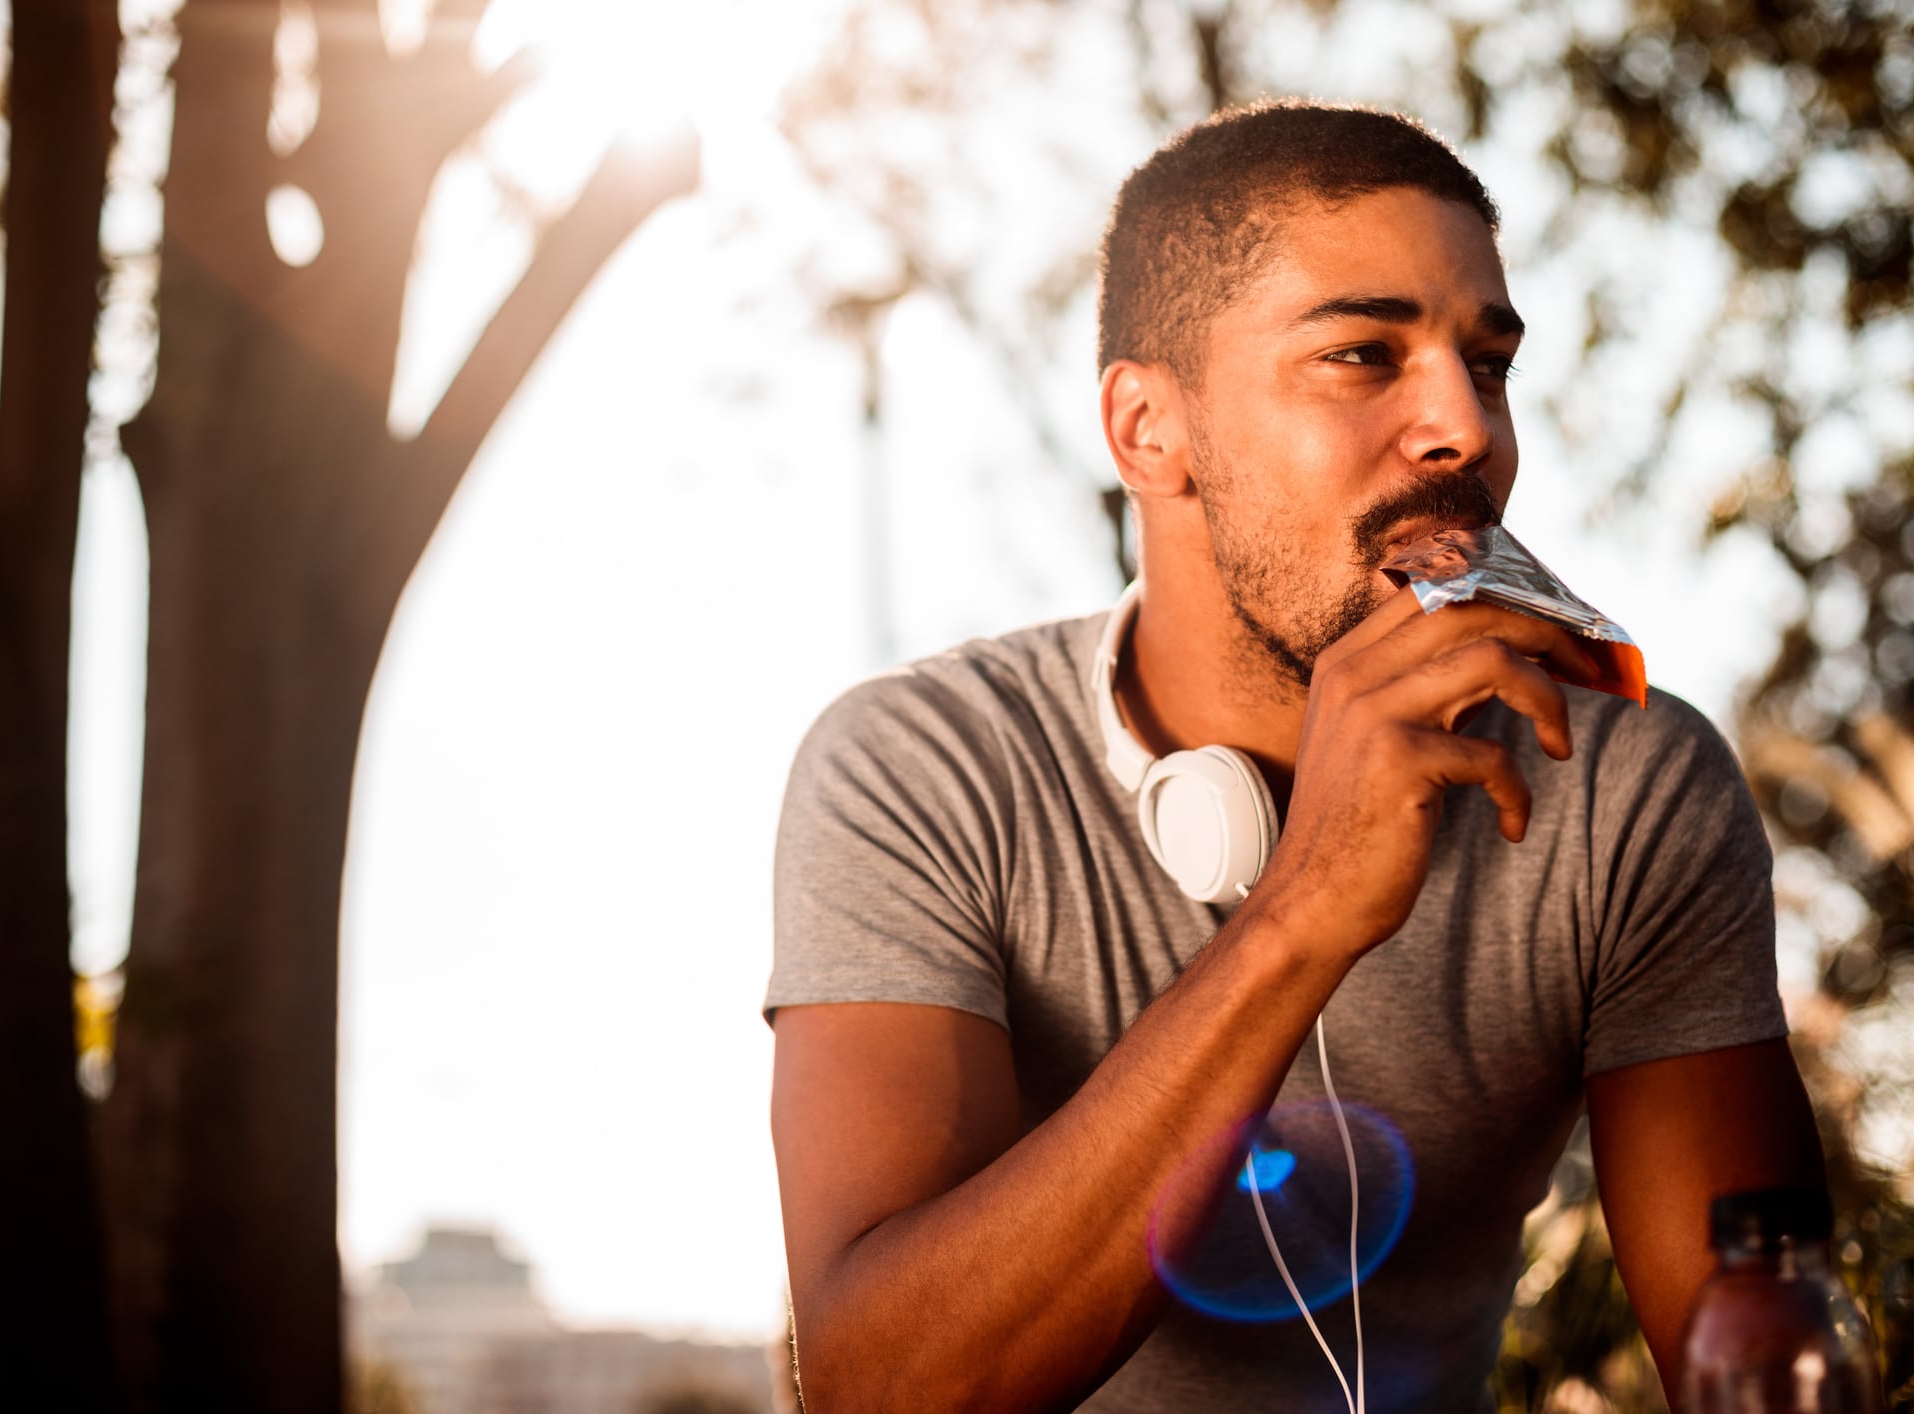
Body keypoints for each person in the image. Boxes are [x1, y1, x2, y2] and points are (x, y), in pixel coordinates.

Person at [764, 102, 1826, 1412]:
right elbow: (878, 1388)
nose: (1464, 430)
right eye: (1361, 355)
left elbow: (1759, 1344)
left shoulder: (1620, 788)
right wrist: (1300, 915)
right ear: (1149, 430)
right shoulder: (920, 767)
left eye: (1485, 365)